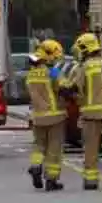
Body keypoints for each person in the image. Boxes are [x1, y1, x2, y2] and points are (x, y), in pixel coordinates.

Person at [26, 39, 68, 191]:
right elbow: (63, 87)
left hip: (38, 116)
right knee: (54, 149)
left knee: (38, 145)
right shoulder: (52, 72)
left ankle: (36, 166)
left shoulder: (31, 74)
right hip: (55, 115)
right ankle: (51, 180)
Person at [67, 32, 102, 190]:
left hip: (91, 113)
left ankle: (91, 180)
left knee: (91, 148)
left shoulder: (84, 67)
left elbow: (76, 88)